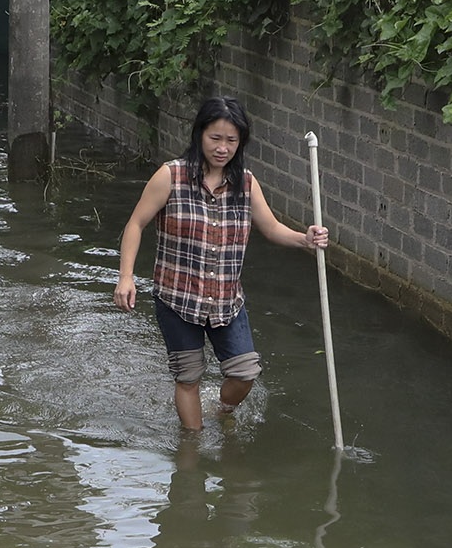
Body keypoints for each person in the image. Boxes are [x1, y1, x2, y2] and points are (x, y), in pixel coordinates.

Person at [113, 96, 329, 432]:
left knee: (245, 373)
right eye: (215, 138)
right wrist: (126, 277)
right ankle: (193, 445)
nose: (222, 148)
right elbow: (135, 224)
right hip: (177, 299)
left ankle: (221, 412)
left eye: (231, 140)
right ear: (200, 134)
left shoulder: (246, 183)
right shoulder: (171, 176)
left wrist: (305, 238)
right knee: (188, 377)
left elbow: (271, 228)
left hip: (227, 300)